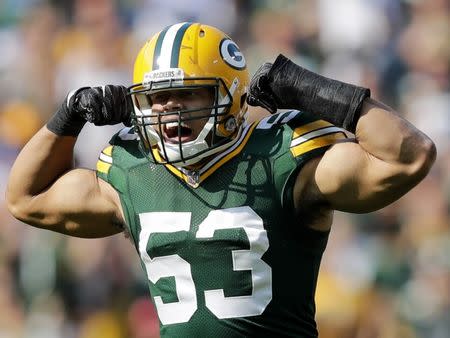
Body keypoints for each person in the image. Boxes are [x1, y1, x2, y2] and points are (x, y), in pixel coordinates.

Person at [6, 22, 436, 337]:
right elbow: (25, 198)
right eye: (157, 98)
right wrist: (69, 114)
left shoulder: (282, 156)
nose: (170, 110)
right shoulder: (131, 170)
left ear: (228, 94)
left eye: (186, 93)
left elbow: (409, 157)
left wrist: (312, 90)